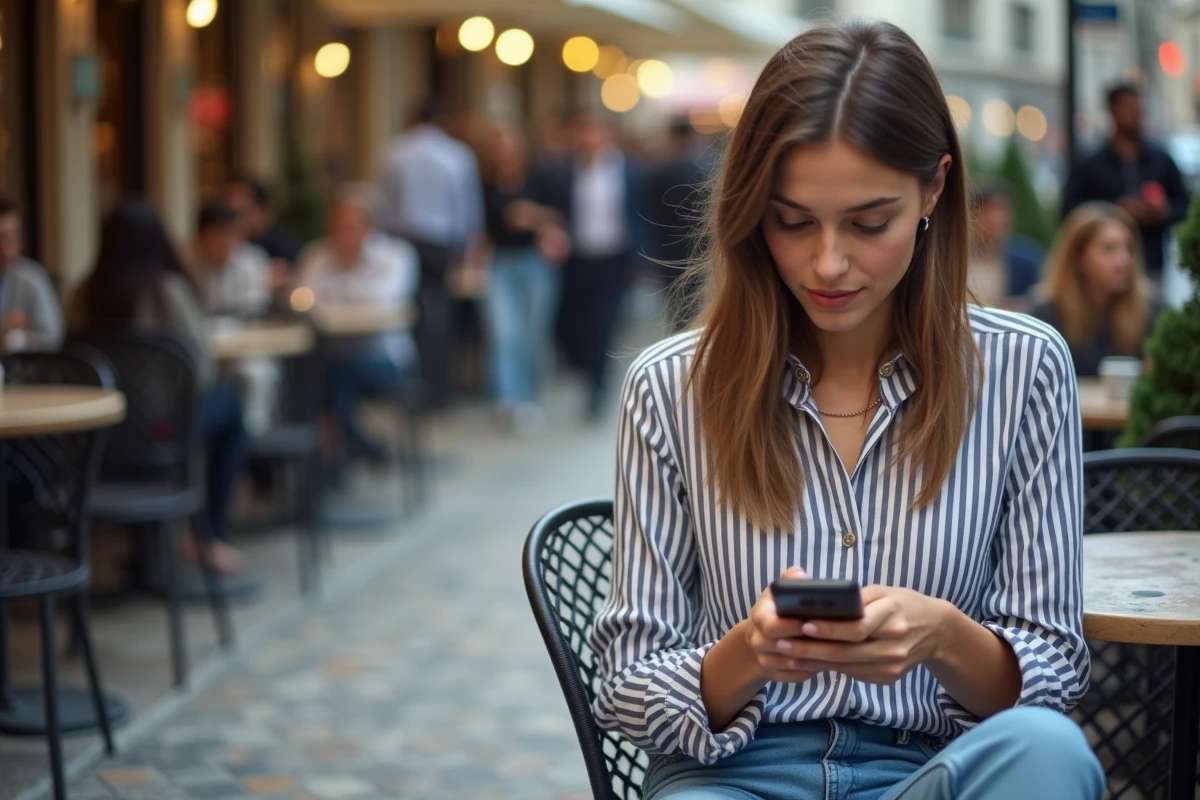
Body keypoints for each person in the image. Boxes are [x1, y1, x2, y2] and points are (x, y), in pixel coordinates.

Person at [591, 19, 1103, 800]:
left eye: (870, 223)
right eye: (791, 221)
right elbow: (629, 683)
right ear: (751, 207)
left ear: (934, 188)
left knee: (1049, 752)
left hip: (932, 770)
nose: (828, 263)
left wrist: (941, 634)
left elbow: (1055, 670)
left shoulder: (1023, 369)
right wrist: (750, 652)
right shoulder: (671, 387)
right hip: (736, 776)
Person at [68, 200, 249, 576]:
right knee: (231, 405)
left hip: (100, 434)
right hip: (160, 428)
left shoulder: (83, 291)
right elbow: (201, 368)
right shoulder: (168, 289)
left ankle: (146, 552)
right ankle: (209, 536)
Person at [293, 183, 419, 477]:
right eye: (338, 225)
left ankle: (333, 460)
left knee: (333, 376)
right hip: (329, 353)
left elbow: (385, 298)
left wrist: (334, 297)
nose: (344, 233)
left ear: (370, 226)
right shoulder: (317, 255)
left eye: (352, 226)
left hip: (383, 358)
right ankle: (347, 450)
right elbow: (301, 297)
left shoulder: (396, 256)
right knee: (312, 374)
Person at [378, 97, 485, 410]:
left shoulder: (394, 152)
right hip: (441, 243)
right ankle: (438, 389)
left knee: (408, 316)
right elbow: (467, 207)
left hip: (403, 240)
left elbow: (386, 204)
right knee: (440, 317)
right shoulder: (457, 154)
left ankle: (411, 387)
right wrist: (469, 246)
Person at [543, 114, 649, 419]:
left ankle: (597, 386)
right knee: (577, 324)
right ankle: (586, 367)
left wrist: (643, 258)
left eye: (595, 134)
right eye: (584, 136)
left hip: (614, 260)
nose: (589, 142)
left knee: (604, 323)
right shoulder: (563, 172)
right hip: (576, 260)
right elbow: (554, 212)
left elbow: (642, 215)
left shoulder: (629, 171)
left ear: (607, 136)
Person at [480, 120, 569, 431]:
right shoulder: (486, 183)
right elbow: (481, 228)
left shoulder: (540, 178)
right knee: (505, 333)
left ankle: (530, 396)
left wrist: (532, 216)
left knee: (533, 333)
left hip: (535, 262)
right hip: (500, 263)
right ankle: (507, 398)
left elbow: (561, 214)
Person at [1061, 83, 1189, 282]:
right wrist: (1114, 210)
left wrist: (1164, 211)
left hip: (1150, 261)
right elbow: (1070, 210)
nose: (1135, 114)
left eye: (1139, 108)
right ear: (1112, 110)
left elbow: (1185, 205)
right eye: (1128, 107)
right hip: (1100, 270)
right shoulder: (1090, 164)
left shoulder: (1161, 160)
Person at [1030, 202, 1157, 377]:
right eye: (1109, 249)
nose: (1124, 261)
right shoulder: (1046, 313)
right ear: (1078, 257)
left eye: (1129, 249)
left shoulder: (1151, 309)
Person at [652, 117, 718, 332]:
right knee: (695, 302)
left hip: (666, 249)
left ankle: (680, 338)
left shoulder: (660, 171)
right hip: (698, 248)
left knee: (676, 305)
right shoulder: (705, 170)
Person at [0, 195, 64, 352]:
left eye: (13, 236)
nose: (8, 248)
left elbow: (53, 337)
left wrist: (17, 337)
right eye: (1, 238)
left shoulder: (33, 278)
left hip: (21, 372)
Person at [189, 200, 273, 317]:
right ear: (200, 236)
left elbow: (254, 310)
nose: (225, 241)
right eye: (217, 234)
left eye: (230, 233)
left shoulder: (252, 261)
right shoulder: (188, 265)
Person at [967, 181, 1042, 310]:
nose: (997, 219)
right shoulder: (951, 257)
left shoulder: (1027, 261)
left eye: (1003, 210)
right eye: (988, 211)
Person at [226, 176, 302, 272]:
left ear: (263, 210)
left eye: (243, 213)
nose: (237, 222)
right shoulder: (231, 247)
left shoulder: (283, 247)